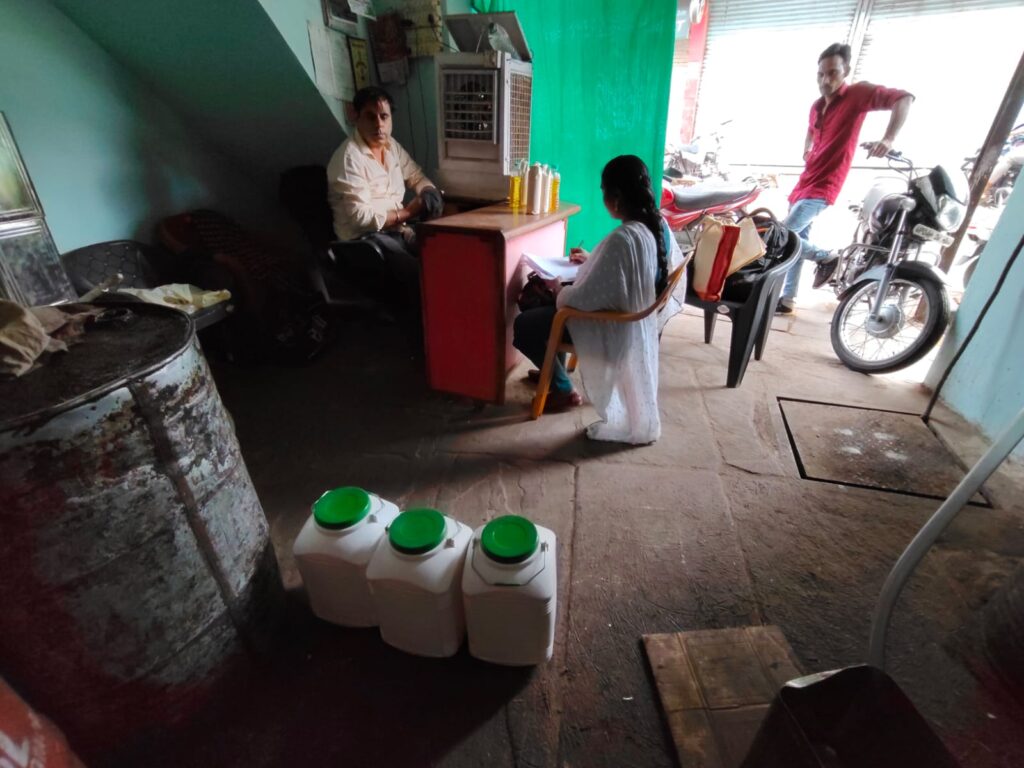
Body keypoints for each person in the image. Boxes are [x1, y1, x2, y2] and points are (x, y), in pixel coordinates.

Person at [513, 155, 684, 444]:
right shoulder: (654, 226)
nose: (602, 196)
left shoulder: (623, 238)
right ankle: (552, 370)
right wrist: (594, 261)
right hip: (631, 321)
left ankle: (562, 387)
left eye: (603, 190)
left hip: (610, 326)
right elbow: (634, 272)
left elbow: (579, 300)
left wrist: (558, 288)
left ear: (615, 197)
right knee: (544, 309)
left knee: (525, 323)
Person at [777, 43, 914, 314]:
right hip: (804, 182)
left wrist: (888, 138)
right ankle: (787, 298)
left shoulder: (857, 94)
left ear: (845, 71)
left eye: (833, 73)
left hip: (824, 186)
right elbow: (810, 130)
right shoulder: (816, 107)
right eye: (821, 74)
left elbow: (904, 98)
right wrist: (807, 147)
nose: (826, 80)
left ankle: (828, 257)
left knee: (782, 235)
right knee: (796, 239)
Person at [326, 86, 444, 333]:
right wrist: (409, 213)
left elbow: (415, 175)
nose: (378, 125)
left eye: (384, 116)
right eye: (370, 116)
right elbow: (361, 219)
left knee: (440, 254)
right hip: (364, 240)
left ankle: (441, 330)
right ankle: (423, 339)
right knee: (416, 274)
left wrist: (427, 192)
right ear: (356, 117)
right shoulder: (349, 157)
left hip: (395, 229)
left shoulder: (391, 147)